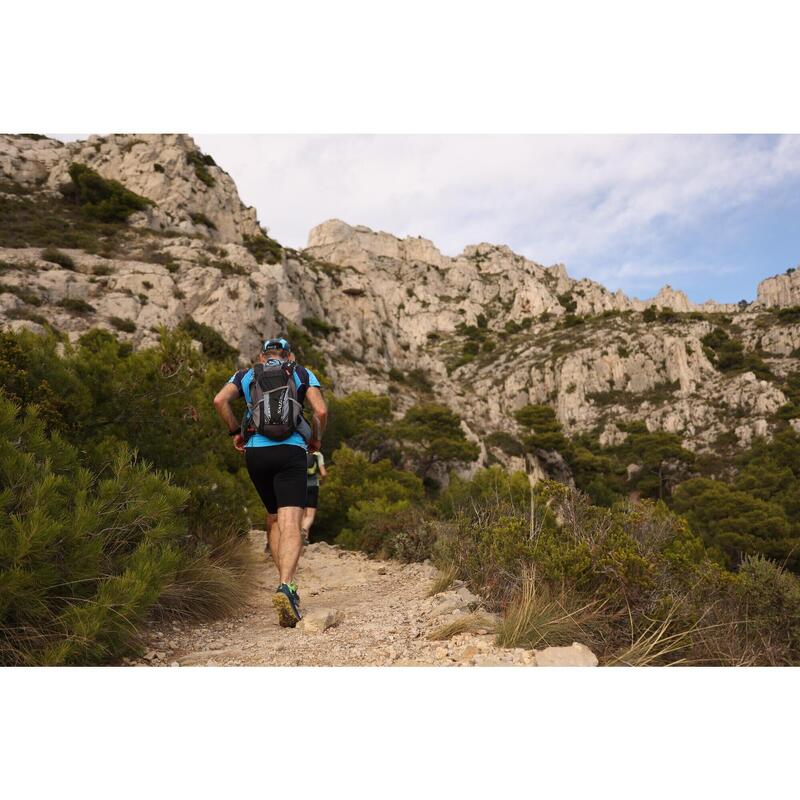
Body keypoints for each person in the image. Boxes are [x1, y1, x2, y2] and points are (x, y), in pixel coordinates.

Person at [213, 337, 327, 628]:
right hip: (291, 452)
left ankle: (285, 586)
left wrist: (235, 433)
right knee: (291, 521)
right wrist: (315, 438)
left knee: (274, 519)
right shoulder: (301, 372)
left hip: (256, 453)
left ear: (262, 357)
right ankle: (285, 585)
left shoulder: (247, 374)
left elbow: (219, 400)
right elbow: (321, 411)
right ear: (288, 355)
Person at [302, 450, 327, 545]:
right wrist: (323, 482)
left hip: (300, 486)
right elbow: (323, 473)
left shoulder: (300, 451)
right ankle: (303, 531)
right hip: (313, 486)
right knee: (310, 515)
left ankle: (305, 539)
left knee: (303, 514)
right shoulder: (318, 454)